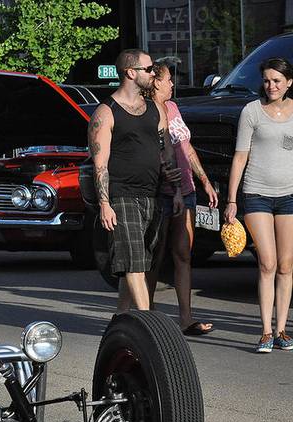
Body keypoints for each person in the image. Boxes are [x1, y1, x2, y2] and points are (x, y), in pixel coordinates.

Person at [88, 49, 182, 311]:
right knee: (134, 265)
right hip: (121, 196)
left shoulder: (156, 109)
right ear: (131, 73)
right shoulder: (106, 113)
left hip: (152, 195)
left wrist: (173, 188)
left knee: (141, 262)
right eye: (149, 69)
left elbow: (165, 150)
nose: (154, 73)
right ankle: (149, 322)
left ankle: (121, 320)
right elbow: (100, 163)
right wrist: (105, 203)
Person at [143, 62, 218, 335]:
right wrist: (171, 187)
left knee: (183, 253)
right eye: (169, 80)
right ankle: (147, 316)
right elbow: (160, 154)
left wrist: (204, 180)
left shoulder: (173, 108)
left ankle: (185, 318)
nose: (173, 84)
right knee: (154, 255)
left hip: (185, 191)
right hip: (161, 192)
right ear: (156, 82)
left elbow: (185, 147)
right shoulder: (148, 111)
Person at [225, 57, 293, 353]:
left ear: (289, 82)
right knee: (267, 262)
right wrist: (231, 199)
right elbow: (240, 157)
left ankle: (282, 330)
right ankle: (265, 331)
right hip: (257, 194)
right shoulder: (251, 111)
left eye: (277, 80)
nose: (271, 85)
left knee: (287, 264)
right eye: (267, 80)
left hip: (290, 194)